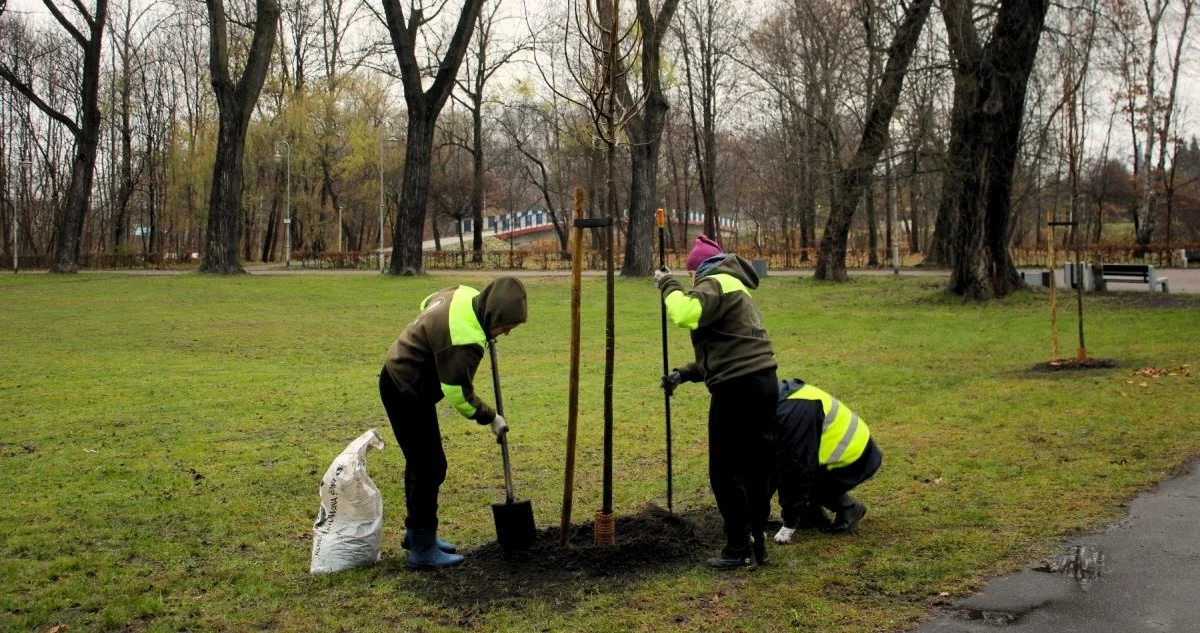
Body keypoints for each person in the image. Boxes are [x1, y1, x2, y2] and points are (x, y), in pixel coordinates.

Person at [379, 276, 528, 569]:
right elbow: (459, 395)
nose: (506, 333)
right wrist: (491, 417)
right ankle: (422, 547)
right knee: (429, 466)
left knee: (422, 464)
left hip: (401, 376)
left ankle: (416, 533)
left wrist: (432, 334)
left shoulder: (465, 295)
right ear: (492, 315)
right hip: (405, 390)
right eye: (505, 326)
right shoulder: (465, 340)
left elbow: (428, 302)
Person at [656, 234, 778, 569]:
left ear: (697, 270)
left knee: (724, 471)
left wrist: (667, 283)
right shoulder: (735, 285)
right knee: (755, 466)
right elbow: (729, 350)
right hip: (763, 382)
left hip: (737, 389)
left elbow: (685, 313)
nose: (690, 280)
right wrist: (684, 374)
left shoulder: (713, 283)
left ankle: (738, 547)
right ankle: (758, 541)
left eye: (689, 274)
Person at [770, 378, 882, 544]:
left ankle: (849, 507)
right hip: (833, 456)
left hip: (854, 459)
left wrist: (789, 522)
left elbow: (797, 469)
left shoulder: (792, 413)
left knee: (793, 472)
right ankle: (810, 514)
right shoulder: (775, 398)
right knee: (781, 463)